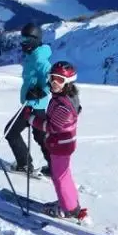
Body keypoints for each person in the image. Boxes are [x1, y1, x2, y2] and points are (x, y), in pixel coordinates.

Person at [38, 61, 88, 222]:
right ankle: (71, 203)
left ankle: (67, 209)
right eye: (52, 78)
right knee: (64, 175)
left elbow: (51, 127)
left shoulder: (63, 106)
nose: (54, 82)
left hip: (60, 145)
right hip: (65, 143)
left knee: (59, 177)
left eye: (59, 79)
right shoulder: (64, 96)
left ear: (68, 82)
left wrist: (31, 118)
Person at [4, 23, 52, 176]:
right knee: (40, 136)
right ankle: (53, 167)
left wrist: (40, 92)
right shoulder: (33, 55)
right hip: (32, 104)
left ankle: (24, 164)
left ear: (34, 40)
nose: (22, 42)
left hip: (34, 105)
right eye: (22, 39)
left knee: (11, 132)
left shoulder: (40, 60)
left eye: (26, 39)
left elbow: (52, 81)